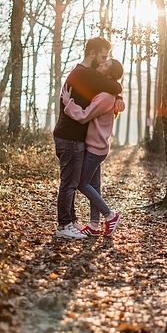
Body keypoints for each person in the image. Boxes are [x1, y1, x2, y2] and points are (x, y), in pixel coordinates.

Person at [52, 37, 122, 239]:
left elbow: (113, 87)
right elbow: (115, 86)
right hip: (70, 137)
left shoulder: (83, 74)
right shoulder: (86, 74)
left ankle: (75, 221)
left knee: (75, 182)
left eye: (107, 59)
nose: (103, 61)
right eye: (103, 56)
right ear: (92, 54)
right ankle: (65, 224)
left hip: (75, 138)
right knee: (71, 183)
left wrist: (119, 97)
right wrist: (118, 94)